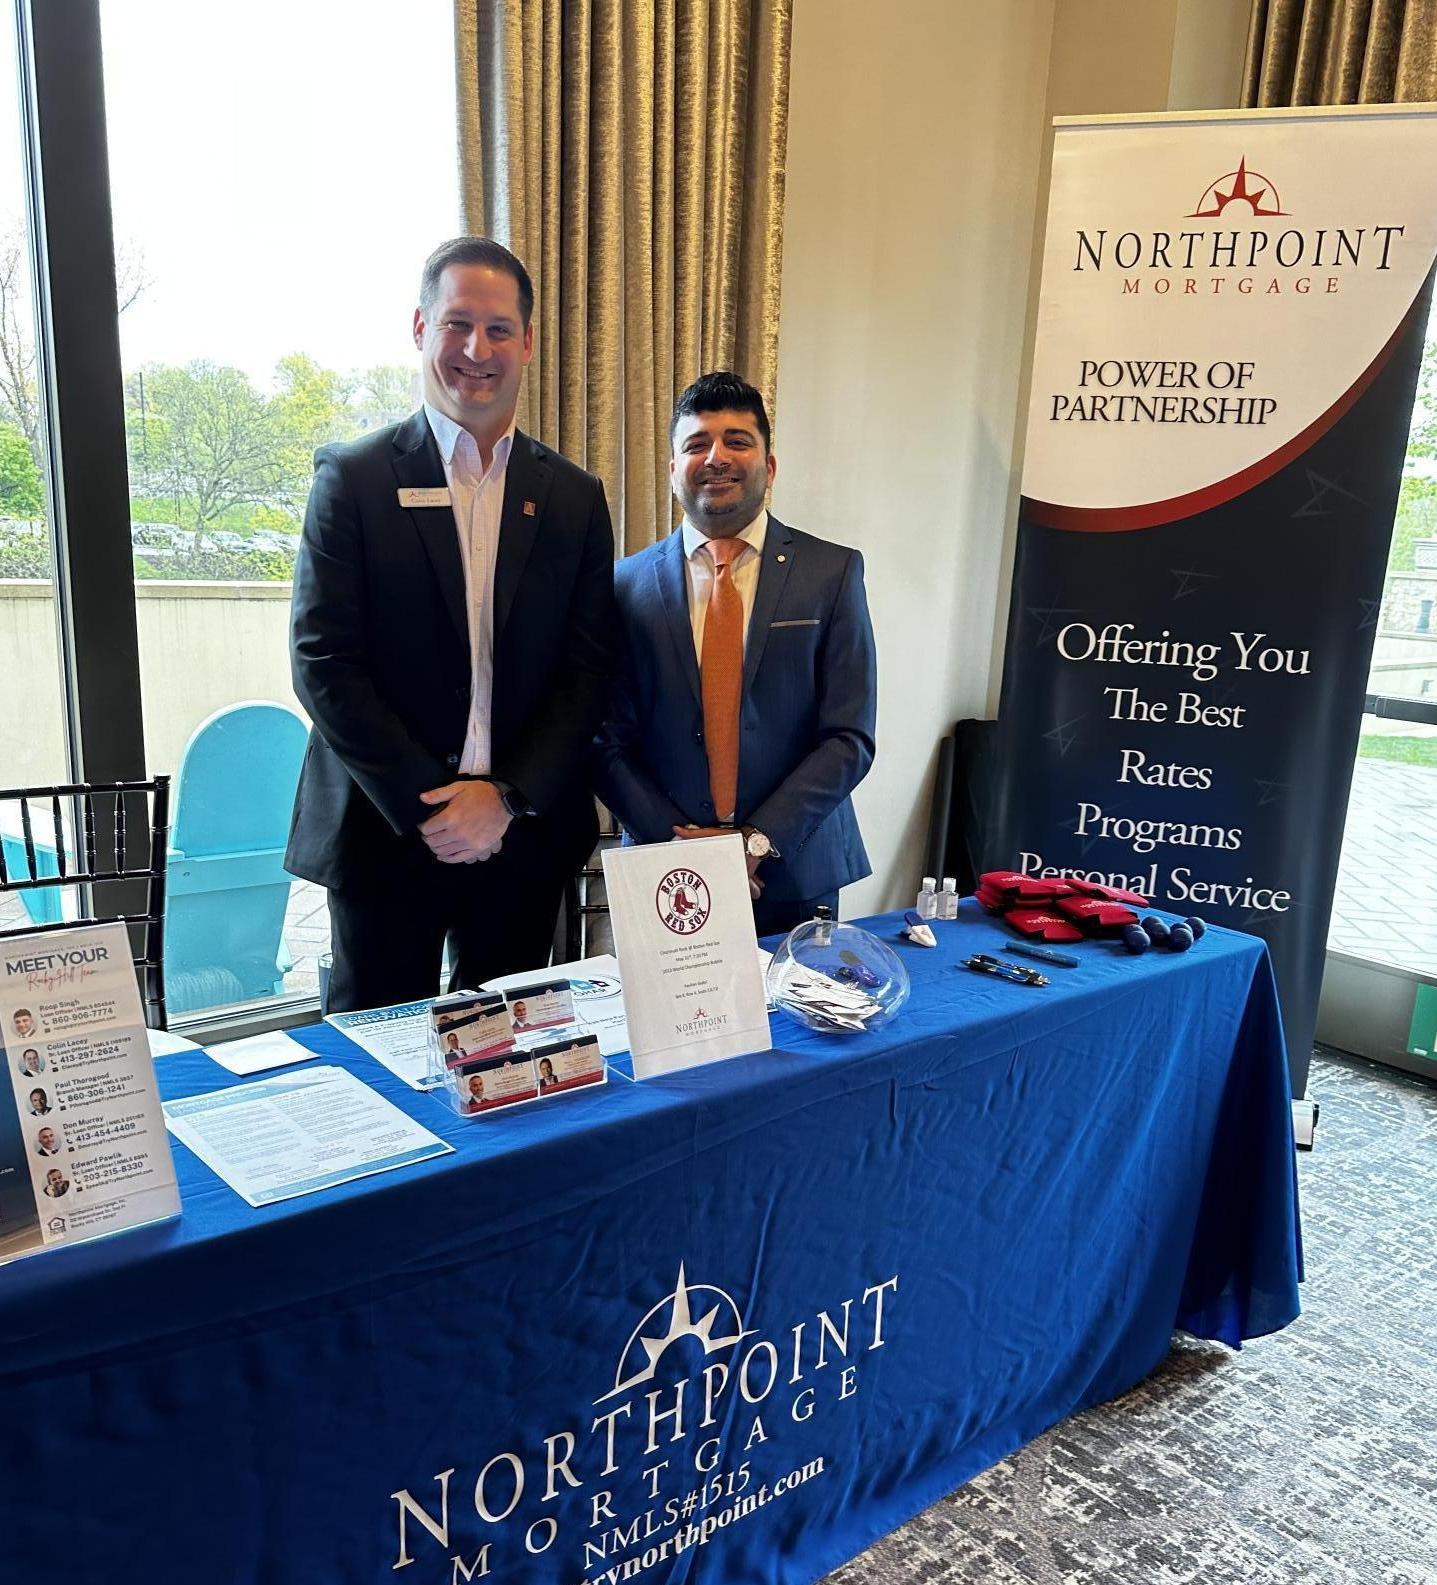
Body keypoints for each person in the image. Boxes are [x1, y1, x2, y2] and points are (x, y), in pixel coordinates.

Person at [287, 237, 615, 1012]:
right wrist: (431, 804)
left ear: (527, 342)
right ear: (419, 328)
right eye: (457, 323)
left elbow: (588, 671)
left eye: (499, 329)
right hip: (385, 833)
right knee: (376, 1061)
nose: (476, 349)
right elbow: (323, 661)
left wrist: (503, 797)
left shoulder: (574, 497)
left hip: (521, 839)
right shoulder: (353, 479)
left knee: (508, 1062)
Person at [596, 372, 877, 936]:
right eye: (696, 444)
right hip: (666, 873)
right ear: (672, 470)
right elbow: (604, 739)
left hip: (796, 872)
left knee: (797, 1000)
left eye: (737, 441)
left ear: (768, 467)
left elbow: (849, 737)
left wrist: (756, 841)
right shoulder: (624, 585)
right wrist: (685, 849)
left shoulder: (832, 573)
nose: (716, 457)